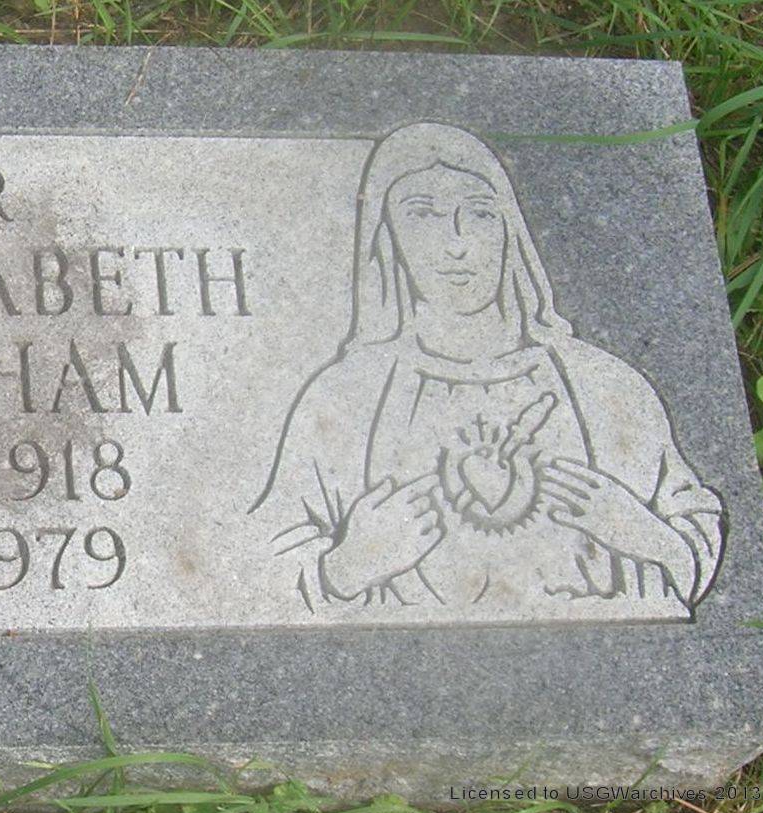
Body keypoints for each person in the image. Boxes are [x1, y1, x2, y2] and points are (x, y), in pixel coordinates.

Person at [248, 122, 723, 617]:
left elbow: (695, 530)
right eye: (422, 215)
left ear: (509, 230)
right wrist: (347, 567)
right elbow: (246, 571)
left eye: (478, 213)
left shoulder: (602, 386)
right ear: (387, 239)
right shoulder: (347, 396)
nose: (457, 243)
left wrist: (641, 532)